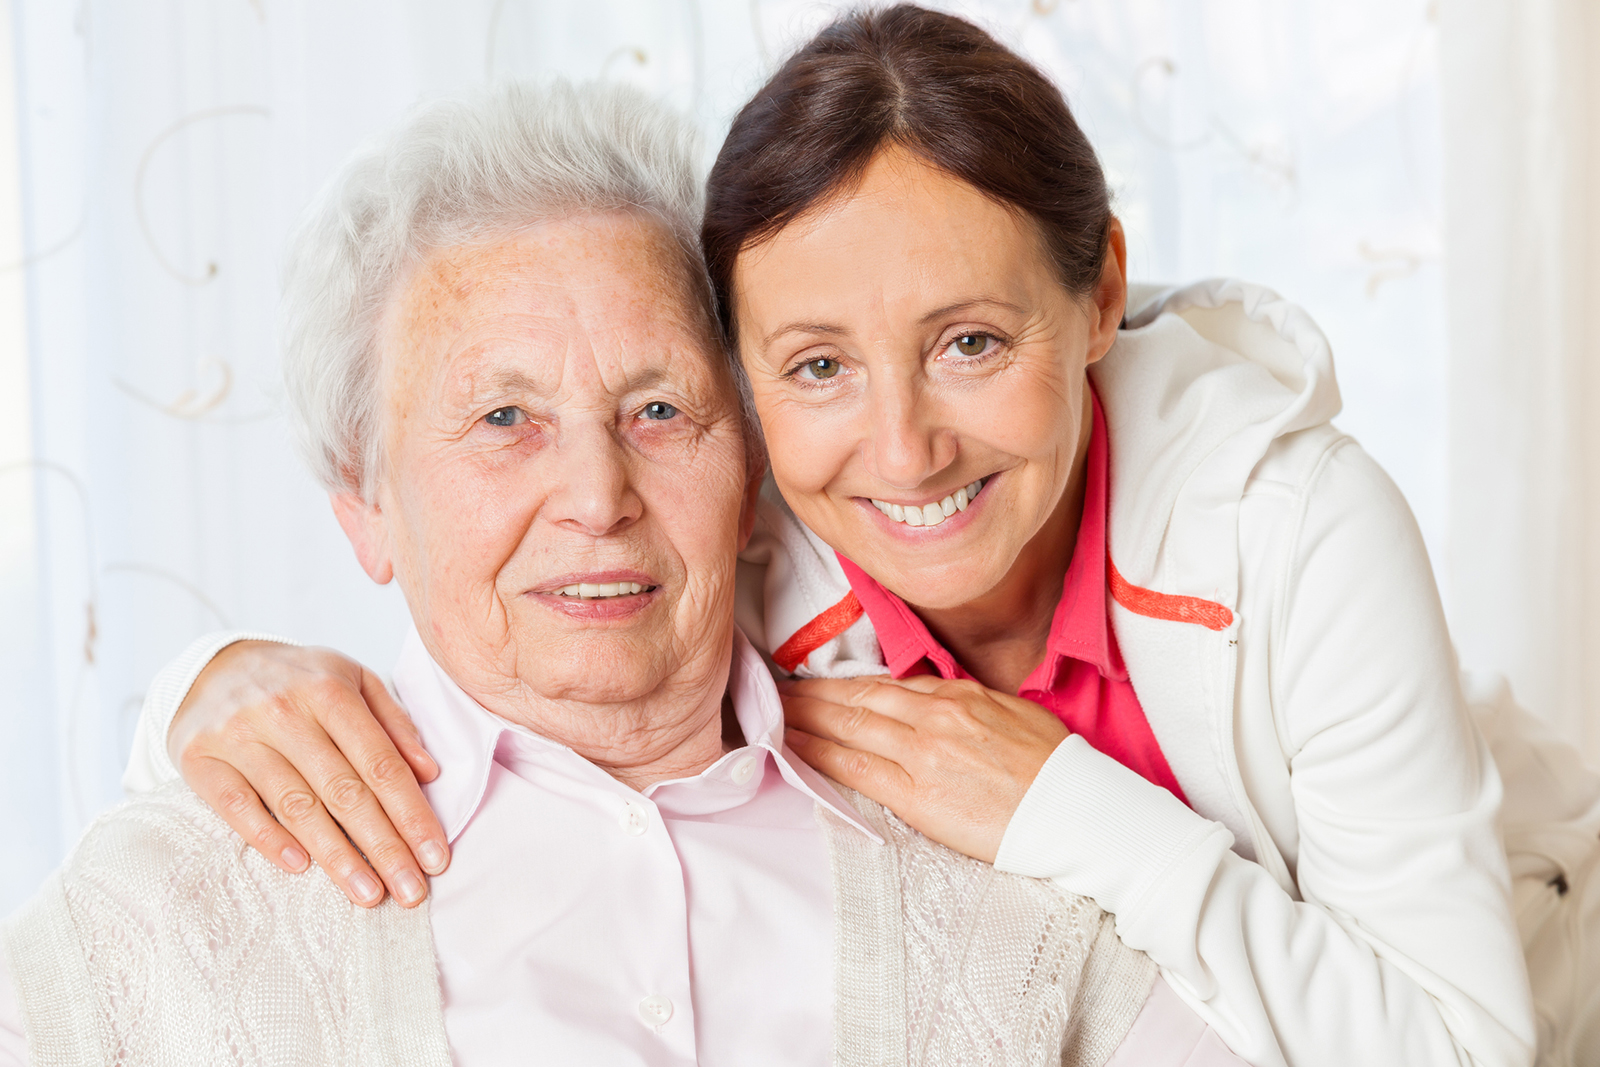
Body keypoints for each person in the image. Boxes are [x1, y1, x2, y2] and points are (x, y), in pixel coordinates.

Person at [93, 5, 1591, 1066]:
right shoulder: (741, 539)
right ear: (750, 387)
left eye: (972, 341)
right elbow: (513, 587)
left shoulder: (1291, 522)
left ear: (1096, 294)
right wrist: (199, 689)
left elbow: (1462, 1043)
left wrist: (1065, 808)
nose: (902, 448)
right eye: (815, 366)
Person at [0, 79, 1252, 1067]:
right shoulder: (156, 918)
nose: (597, 497)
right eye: (503, 419)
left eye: (659, 409)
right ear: (363, 507)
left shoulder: (1003, 877)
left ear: (754, 465)